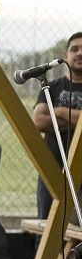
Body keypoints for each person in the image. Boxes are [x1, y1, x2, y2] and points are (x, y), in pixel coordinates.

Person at [32, 31, 82, 218]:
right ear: (65, 55)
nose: (80, 53)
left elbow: (48, 118)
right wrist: (77, 121)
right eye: (74, 49)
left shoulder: (53, 98)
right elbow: (39, 121)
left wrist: (58, 111)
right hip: (52, 170)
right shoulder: (50, 87)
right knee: (46, 224)